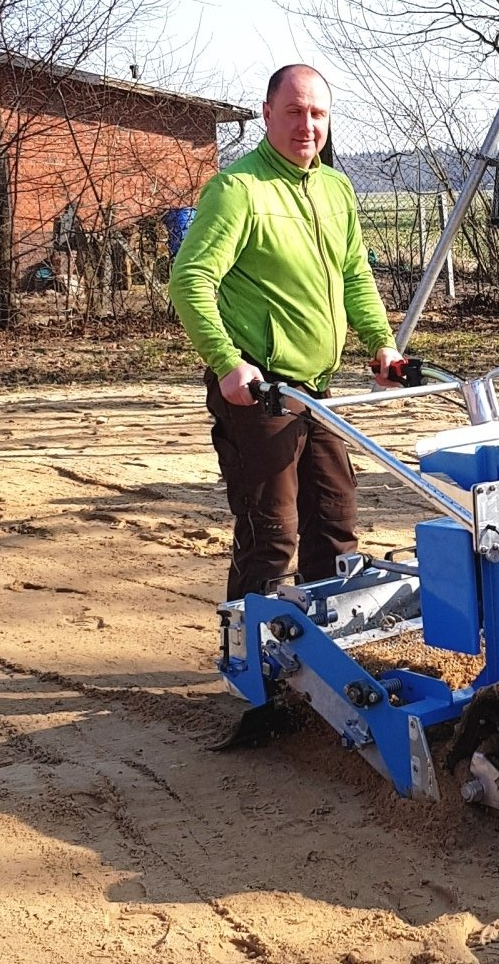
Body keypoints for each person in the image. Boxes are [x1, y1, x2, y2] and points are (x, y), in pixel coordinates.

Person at [168, 63, 404, 599]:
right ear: (267, 113)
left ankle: (323, 654)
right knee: (272, 536)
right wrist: (227, 363)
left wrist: (380, 344)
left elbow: (353, 274)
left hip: (316, 390)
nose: (307, 125)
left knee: (335, 528)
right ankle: (251, 660)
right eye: (294, 111)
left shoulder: (335, 189)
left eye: (317, 113)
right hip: (259, 391)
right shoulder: (239, 189)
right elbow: (190, 280)